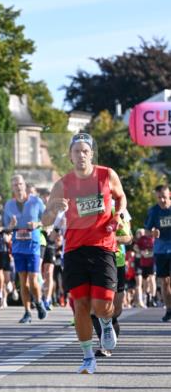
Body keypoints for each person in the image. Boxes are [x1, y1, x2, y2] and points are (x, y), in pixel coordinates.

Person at [42, 131, 126, 374]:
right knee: (80, 305)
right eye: (76, 151)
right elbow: (46, 219)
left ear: (91, 154)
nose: (81, 155)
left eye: (85, 151)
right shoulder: (63, 184)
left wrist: (118, 215)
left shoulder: (106, 175)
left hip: (103, 247)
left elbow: (121, 199)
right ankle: (88, 356)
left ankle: (107, 321)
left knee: (101, 305)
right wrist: (55, 208)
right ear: (70, 156)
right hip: (75, 249)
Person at [3, 174, 48, 323]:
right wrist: (10, 226)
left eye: (20, 184)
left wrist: (37, 224)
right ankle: (27, 312)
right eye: (15, 185)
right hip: (18, 247)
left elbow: (46, 219)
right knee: (23, 281)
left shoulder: (36, 201)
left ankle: (39, 302)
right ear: (12, 188)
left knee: (33, 280)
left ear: (24, 185)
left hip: (33, 245)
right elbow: (6, 228)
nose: (18, 187)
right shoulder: (9, 205)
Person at [92, 208, 132, 357]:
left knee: (115, 310)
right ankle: (104, 345)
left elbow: (128, 238)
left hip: (117, 262)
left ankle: (109, 334)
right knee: (94, 308)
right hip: (94, 261)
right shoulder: (88, 204)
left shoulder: (120, 209)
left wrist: (110, 238)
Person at [145, 183, 171, 322]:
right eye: (159, 197)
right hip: (161, 250)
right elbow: (147, 230)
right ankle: (169, 309)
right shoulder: (153, 211)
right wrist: (152, 233)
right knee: (165, 281)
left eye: (164, 197)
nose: (162, 200)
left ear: (169, 195)